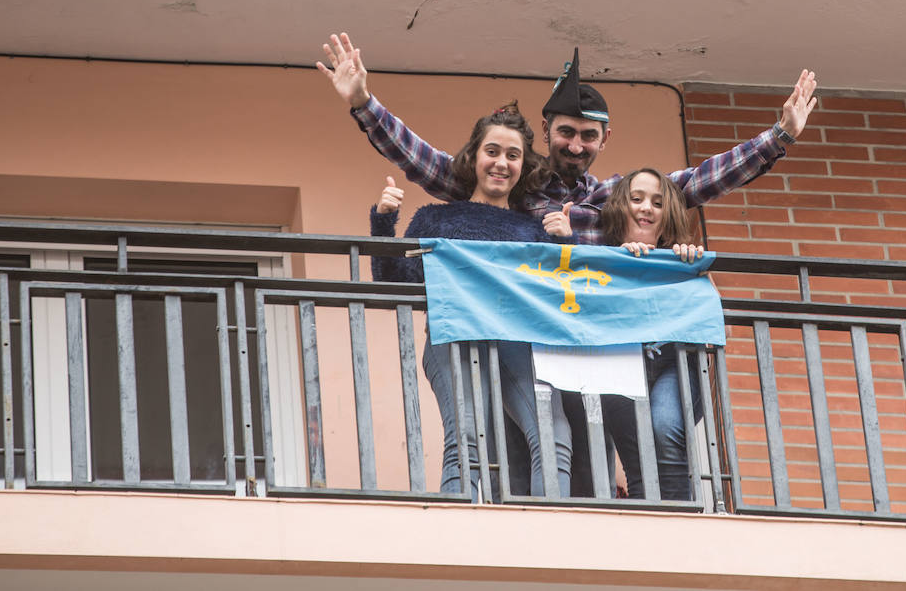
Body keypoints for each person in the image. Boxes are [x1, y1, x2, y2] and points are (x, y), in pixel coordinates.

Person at [317, 33, 818, 243]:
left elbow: (699, 181)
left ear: (605, 138)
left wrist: (777, 138)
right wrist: (364, 103)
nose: (575, 145)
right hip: (527, 336)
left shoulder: (614, 197)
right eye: (565, 133)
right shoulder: (510, 184)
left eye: (587, 136)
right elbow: (422, 161)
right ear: (548, 131)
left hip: (594, 335)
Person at [370, 103, 575, 499]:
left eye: (513, 155)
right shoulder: (436, 219)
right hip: (454, 337)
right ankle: (455, 532)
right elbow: (391, 281)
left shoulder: (534, 229)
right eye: (492, 151)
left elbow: (565, 295)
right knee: (466, 438)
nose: (501, 163)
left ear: (524, 166)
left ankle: (555, 531)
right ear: (474, 158)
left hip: (517, 341)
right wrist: (383, 220)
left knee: (554, 434)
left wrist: (565, 242)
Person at [593, 168, 707, 501]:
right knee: (639, 462)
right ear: (620, 208)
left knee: (665, 428)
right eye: (637, 199)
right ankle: (654, 534)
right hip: (619, 364)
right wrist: (621, 265)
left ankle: (679, 525)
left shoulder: (682, 259)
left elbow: (719, 327)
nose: (647, 208)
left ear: (667, 215)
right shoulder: (601, 259)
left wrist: (694, 271)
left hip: (674, 363)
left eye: (657, 203)